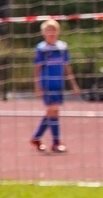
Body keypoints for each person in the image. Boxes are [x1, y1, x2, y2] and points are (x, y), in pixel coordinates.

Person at [31, 18, 79, 153]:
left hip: (59, 84)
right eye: (48, 30)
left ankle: (36, 137)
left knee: (53, 112)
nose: (51, 33)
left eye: (53, 30)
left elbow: (67, 67)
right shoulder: (41, 49)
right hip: (47, 84)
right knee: (53, 110)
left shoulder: (62, 47)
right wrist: (37, 86)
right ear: (43, 33)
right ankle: (56, 142)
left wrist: (73, 84)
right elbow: (37, 69)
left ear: (58, 32)